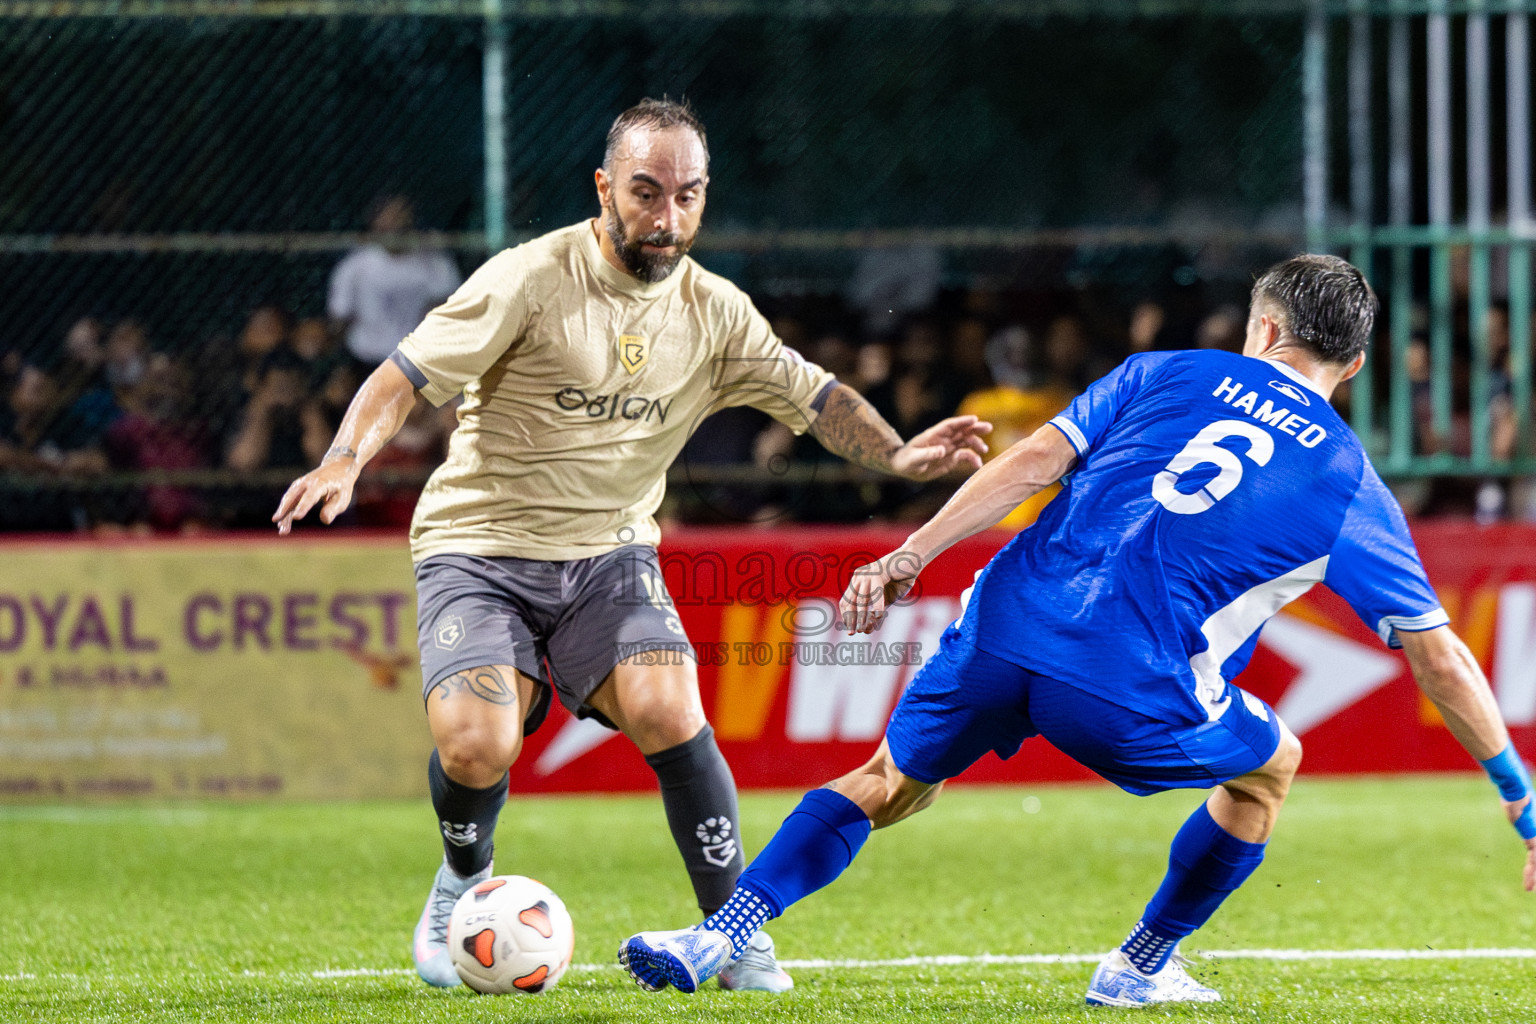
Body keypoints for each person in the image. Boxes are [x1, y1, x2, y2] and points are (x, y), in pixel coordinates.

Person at [619, 255, 1536, 1007]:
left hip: (1008, 623)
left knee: (890, 780)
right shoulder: (1349, 484)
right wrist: (1519, 800)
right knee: (1272, 765)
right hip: (1127, 687)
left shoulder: (1164, 371)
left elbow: (1031, 463)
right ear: (1356, 368)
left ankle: (720, 933)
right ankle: (1139, 965)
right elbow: (1438, 656)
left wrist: (907, 554)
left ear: (1261, 330)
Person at [273, 97, 990, 993]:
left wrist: (896, 451)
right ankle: (460, 878)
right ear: (605, 188)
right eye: (647, 193)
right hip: (478, 546)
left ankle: (733, 934)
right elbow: (404, 375)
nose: (668, 217)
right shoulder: (529, 279)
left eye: (688, 196)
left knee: (670, 710)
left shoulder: (717, 313)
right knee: (475, 746)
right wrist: (345, 458)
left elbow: (814, 397)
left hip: (609, 555)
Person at [327, 194, 462, 366]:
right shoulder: (355, 266)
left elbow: (449, 310)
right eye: (387, 217)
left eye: (399, 216)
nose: (394, 224)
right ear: (374, 222)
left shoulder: (435, 263)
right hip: (365, 359)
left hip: (418, 359)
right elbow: (340, 318)